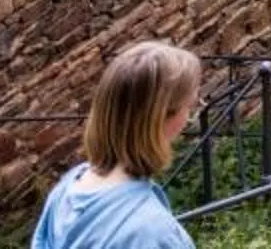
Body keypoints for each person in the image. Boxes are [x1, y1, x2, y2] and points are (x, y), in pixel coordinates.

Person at [29, 40, 205, 249]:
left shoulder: (68, 190)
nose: (190, 116)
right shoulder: (151, 233)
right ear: (160, 119)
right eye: (190, 106)